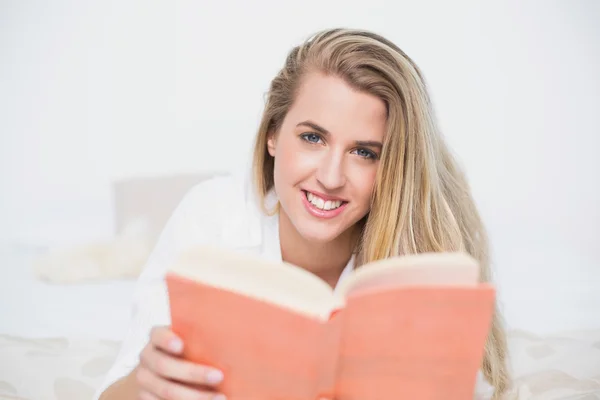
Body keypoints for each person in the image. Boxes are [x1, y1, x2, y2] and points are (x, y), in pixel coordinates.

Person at [96, 28, 510, 400]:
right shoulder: (209, 219)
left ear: (393, 168)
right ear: (273, 133)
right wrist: (147, 379)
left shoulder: (422, 253)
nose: (330, 178)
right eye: (312, 137)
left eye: (364, 153)